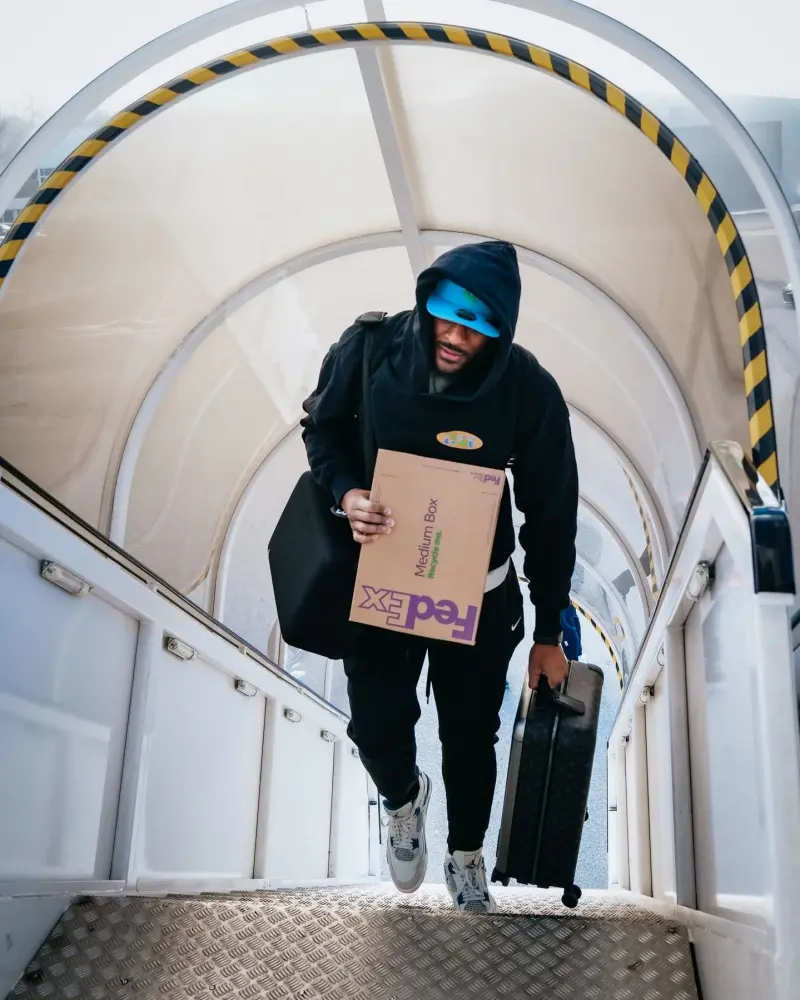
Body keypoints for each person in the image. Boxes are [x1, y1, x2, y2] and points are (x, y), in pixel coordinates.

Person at [301, 241, 578, 913]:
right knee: (374, 724)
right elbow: (323, 430)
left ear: (500, 331)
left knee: (469, 734)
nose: (455, 338)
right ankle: (403, 799)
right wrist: (347, 494)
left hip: (479, 598)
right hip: (386, 583)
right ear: (426, 301)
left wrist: (547, 633)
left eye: (476, 328)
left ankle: (465, 854)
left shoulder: (528, 389)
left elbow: (550, 511)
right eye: (446, 319)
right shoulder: (368, 351)